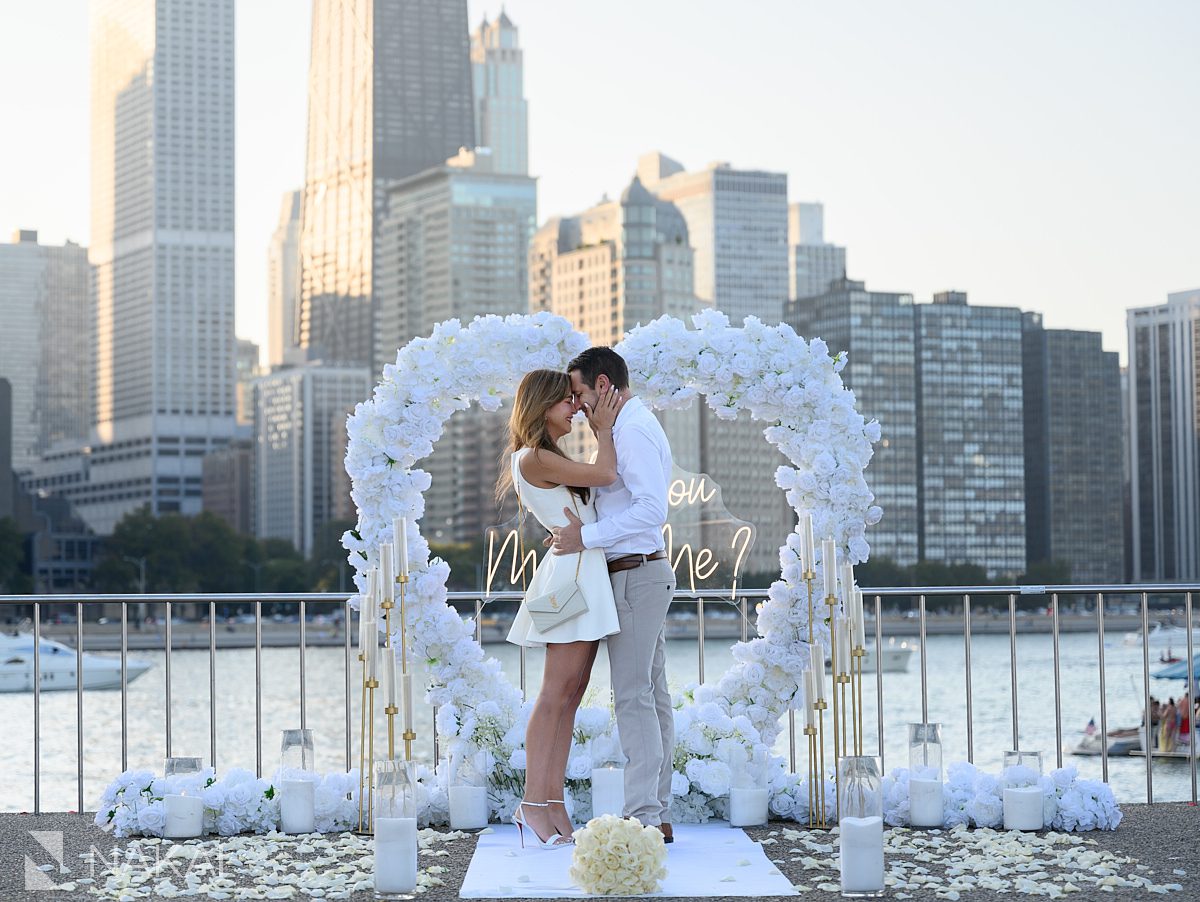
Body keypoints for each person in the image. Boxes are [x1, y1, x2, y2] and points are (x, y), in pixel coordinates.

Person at [551, 347, 677, 844]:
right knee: (651, 696)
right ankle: (656, 812)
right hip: (635, 575)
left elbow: (651, 509)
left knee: (633, 697)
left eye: (579, 393)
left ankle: (643, 816)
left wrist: (587, 537)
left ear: (603, 386)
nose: (577, 405)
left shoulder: (633, 429)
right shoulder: (622, 429)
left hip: (636, 576)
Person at [500, 369, 624, 849]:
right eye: (568, 401)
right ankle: (533, 802)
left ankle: (551, 802)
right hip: (569, 579)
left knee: (570, 694)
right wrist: (606, 431)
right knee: (556, 693)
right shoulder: (533, 458)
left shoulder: (548, 457)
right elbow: (607, 474)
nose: (576, 408)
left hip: (578, 575)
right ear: (542, 405)